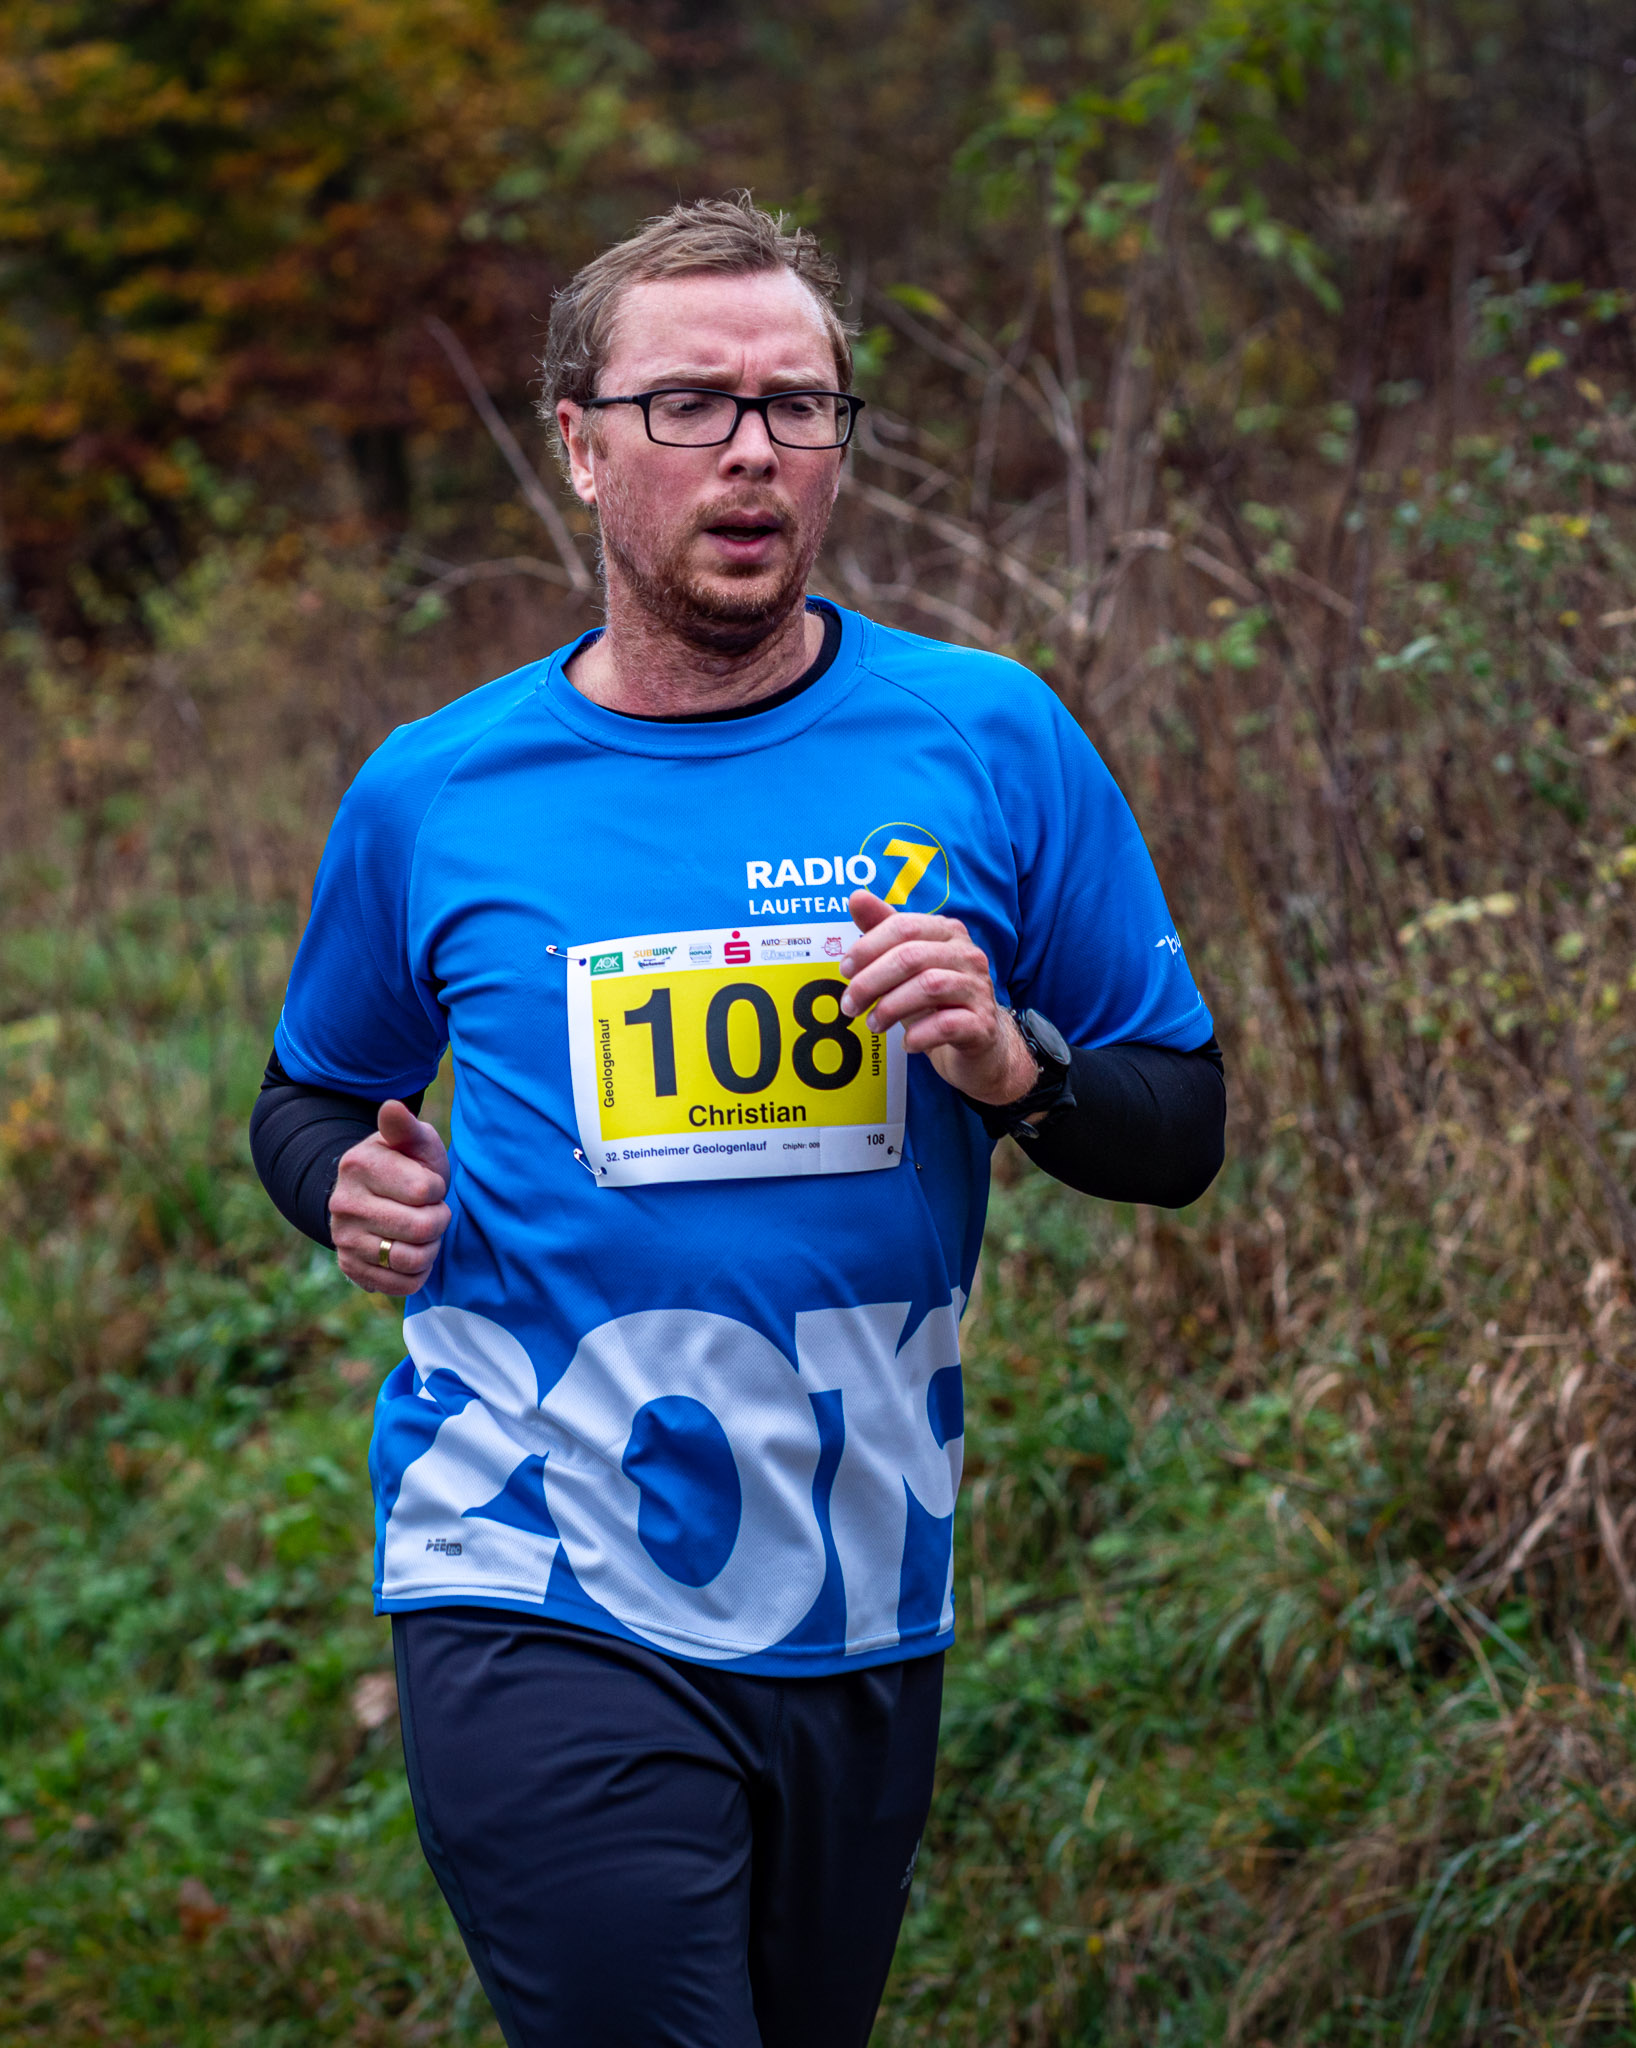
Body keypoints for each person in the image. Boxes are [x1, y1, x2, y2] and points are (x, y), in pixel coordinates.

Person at [250, 193, 1224, 2048]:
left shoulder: (989, 738)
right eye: (690, 403)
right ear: (579, 443)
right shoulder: (437, 791)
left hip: (859, 1586)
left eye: (800, 404)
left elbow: (1179, 1127)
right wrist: (345, 1190)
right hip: (528, 1564)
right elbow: (307, 1096)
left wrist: (1015, 1071)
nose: (754, 449)